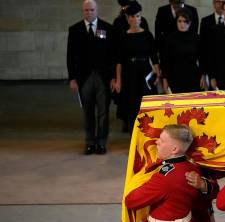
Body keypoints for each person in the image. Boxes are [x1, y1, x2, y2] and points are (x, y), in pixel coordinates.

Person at [67, 0, 116, 155]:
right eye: (86, 10)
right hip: (84, 78)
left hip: (103, 77)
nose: (89, 13)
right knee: (88, 111)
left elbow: (112, 55)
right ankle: (89, 142)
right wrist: (72, 78)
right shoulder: (75, 30)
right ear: (83, 11)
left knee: (103, 112)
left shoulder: (107, 28)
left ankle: (101, 142)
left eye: (92, 10)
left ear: (97, 10)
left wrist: (114, 77)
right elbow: (70, 56)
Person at [113, 1, 160, 133]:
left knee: (146, 104)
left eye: (138, 16)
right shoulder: (123, 37)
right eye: (132, 17)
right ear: (128, 19)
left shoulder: (147, 35)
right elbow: (119, 61)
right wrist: (118, 80)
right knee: (131, 105)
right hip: (129, 73)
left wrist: (158, 72)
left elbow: (154, 56)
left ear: (141, 18)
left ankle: (147, 133)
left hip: (145, 73)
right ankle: (134, 135)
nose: (135, 19)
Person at [161, 9, 204, 93]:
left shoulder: (196, 38)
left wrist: (203, 74)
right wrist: (165, 79)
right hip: (175, 77)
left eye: (185, 21)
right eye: (179, 21)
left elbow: (202, 57)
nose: (182, 24)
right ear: (176, 22)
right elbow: (165, 60)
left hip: (193, 76)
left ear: (190, 23)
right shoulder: (170, 39)